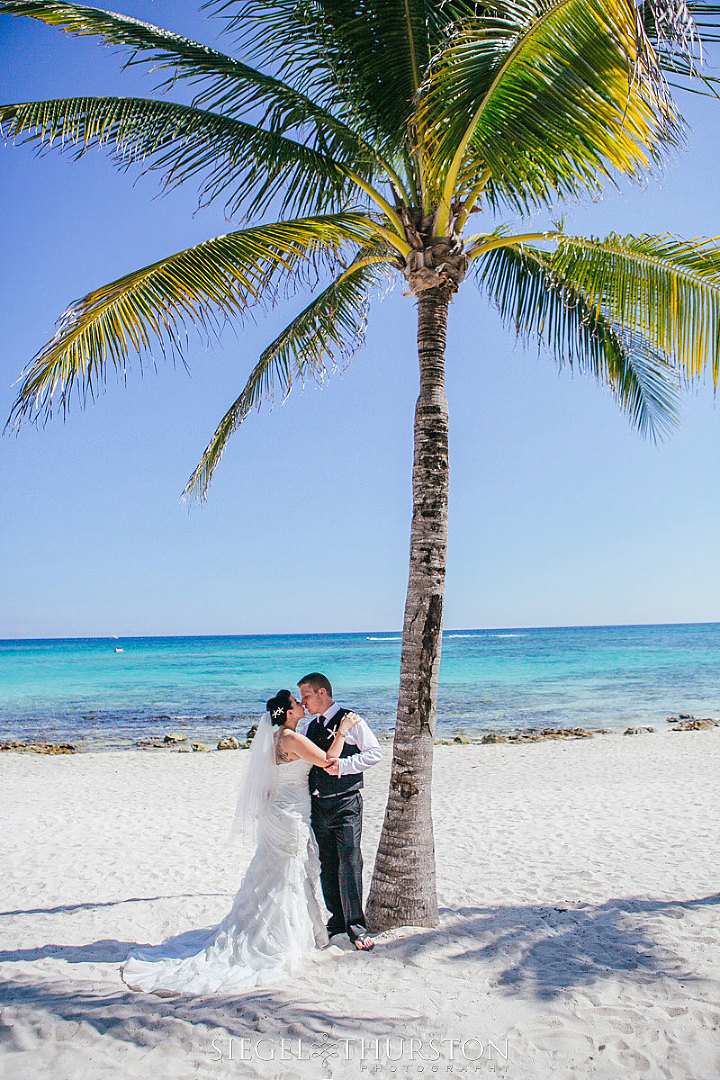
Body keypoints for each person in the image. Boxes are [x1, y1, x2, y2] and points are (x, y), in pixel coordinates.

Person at [120, 690, 354, 995]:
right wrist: (344, 730)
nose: (301, 704)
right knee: (286, 875)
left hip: (281, 811)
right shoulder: (290, 738)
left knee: (278, 873)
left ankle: (285, 935)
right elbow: (327, 760)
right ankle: (281, 940)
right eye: (296, 703)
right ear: (287, 713)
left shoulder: (278, 738)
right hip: (289, 815)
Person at [298, 672, 382, 952]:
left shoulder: (352, 720)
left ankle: (357, 927)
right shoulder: (310, 727)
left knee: (350, 862)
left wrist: (344, 767)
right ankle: (336, 921)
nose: (304, 702)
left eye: (306, 696)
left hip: (346, 802)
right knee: (327, 865)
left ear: (322, 692)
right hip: (319, 805)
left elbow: (374, 753)